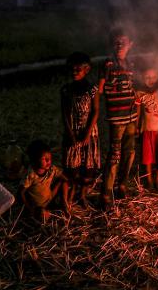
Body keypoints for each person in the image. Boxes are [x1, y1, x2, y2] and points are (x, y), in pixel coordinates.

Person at [98, 28, 139, 209]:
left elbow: (133, 89)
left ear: (131, 45)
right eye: (116, 42)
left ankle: (121, 184)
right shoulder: (108, 64)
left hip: (131, 116)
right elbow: (100, 89)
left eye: (124, 42)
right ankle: (106, 192)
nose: (120, 45)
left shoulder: (131, 64)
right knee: (114, 154)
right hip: (116, 118)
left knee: (129, 152)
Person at [60, 51, 100, 209]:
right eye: (72, 69)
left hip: (89, 133)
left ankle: (82, 195)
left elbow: (95, 111)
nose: (74, 72)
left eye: (78, 69)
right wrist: (71, 134)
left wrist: (87, 134)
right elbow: (64, 114)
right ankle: (70, 195)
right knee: (72, 169)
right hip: (72, 132)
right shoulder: (65, 90)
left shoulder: (92, 89)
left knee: (88, 168)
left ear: (87, 69)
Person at [19, 140, 68, 222]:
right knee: (42, 216)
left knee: (63, 182)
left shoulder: (51, 169)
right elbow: (20, 193)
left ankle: (64, 204)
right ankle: (48, 214)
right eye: (44, 158)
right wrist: (29, 208)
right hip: (38, 206)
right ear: (34, 160)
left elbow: (64, 178)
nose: (48, 161)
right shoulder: (31, 175)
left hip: (50, 198)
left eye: (49, 158)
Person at [136, 65, 158, 191]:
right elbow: (138, 112)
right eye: (147, 77)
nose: (150, 79)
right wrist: (137, 126)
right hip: (147, 129)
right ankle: (149, 180)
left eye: (153, 77)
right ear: (142, 78)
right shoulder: (140, 93)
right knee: (147, 157)